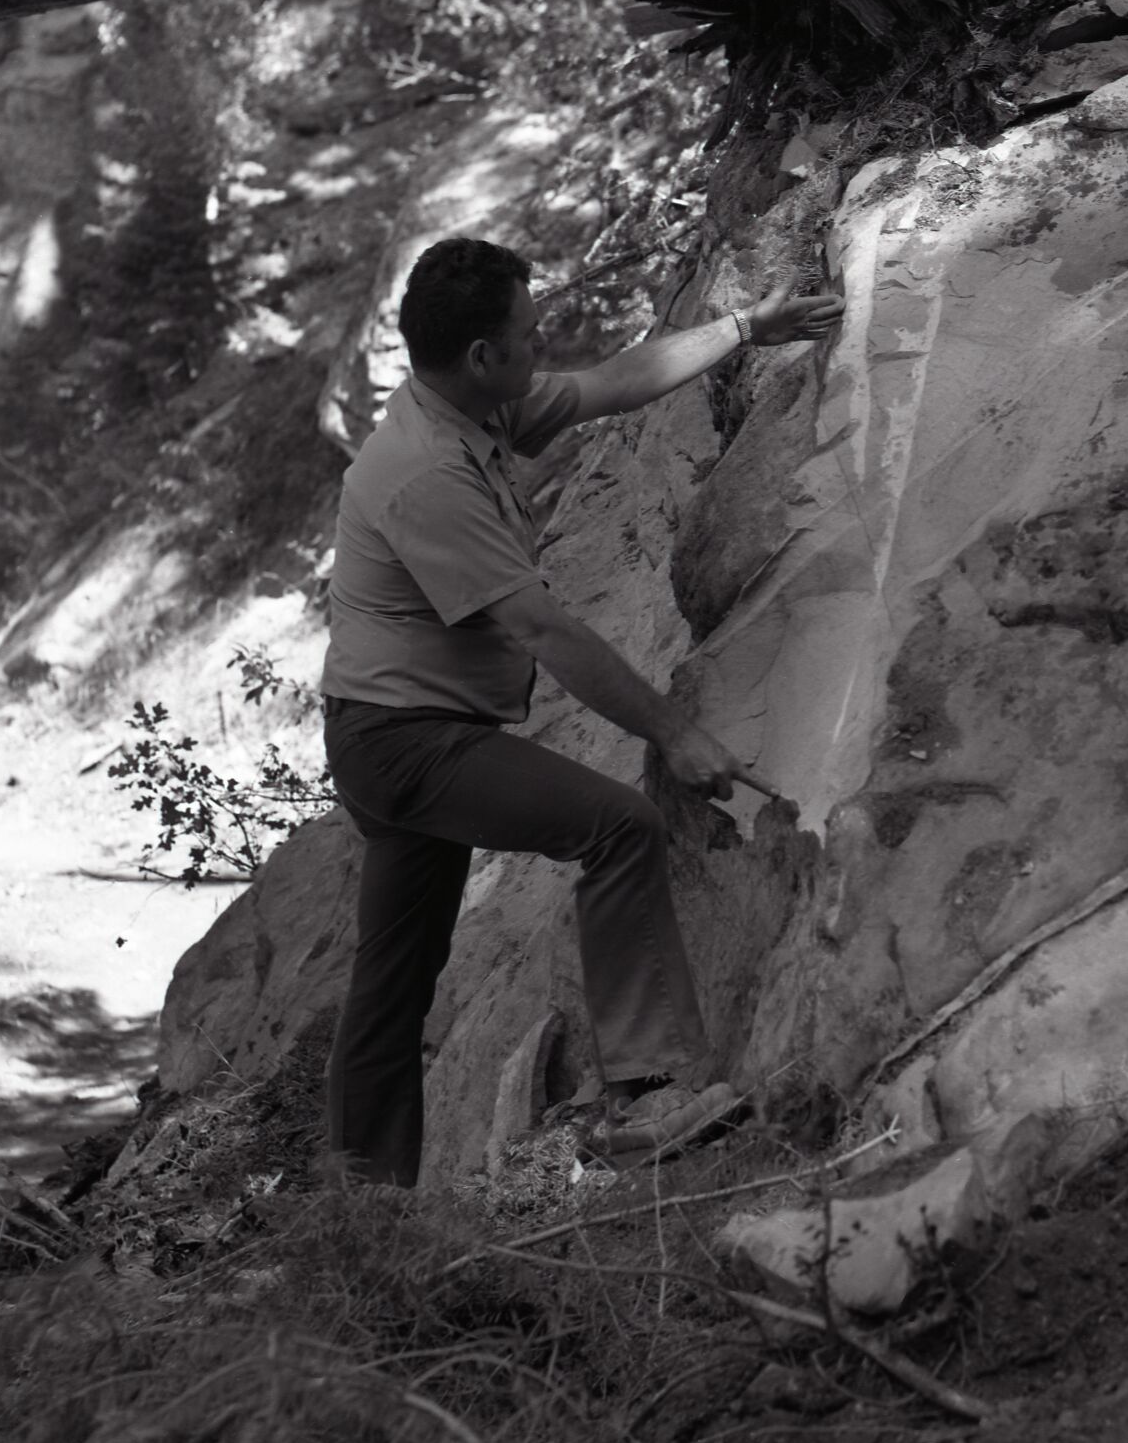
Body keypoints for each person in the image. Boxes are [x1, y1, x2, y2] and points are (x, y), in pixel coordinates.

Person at [314, 235, 843, 1185]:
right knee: (616, 827)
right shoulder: (427, 472)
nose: (540, 340)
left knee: (392, 982)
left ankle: (355, 1206)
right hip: (404, 742)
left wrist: (743, 328)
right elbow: (542, 631)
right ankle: (648, 1093)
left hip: (386, 733)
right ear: (483, 355)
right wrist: (673, 729)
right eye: (527, 331)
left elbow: (613, 382)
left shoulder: (472, 408)